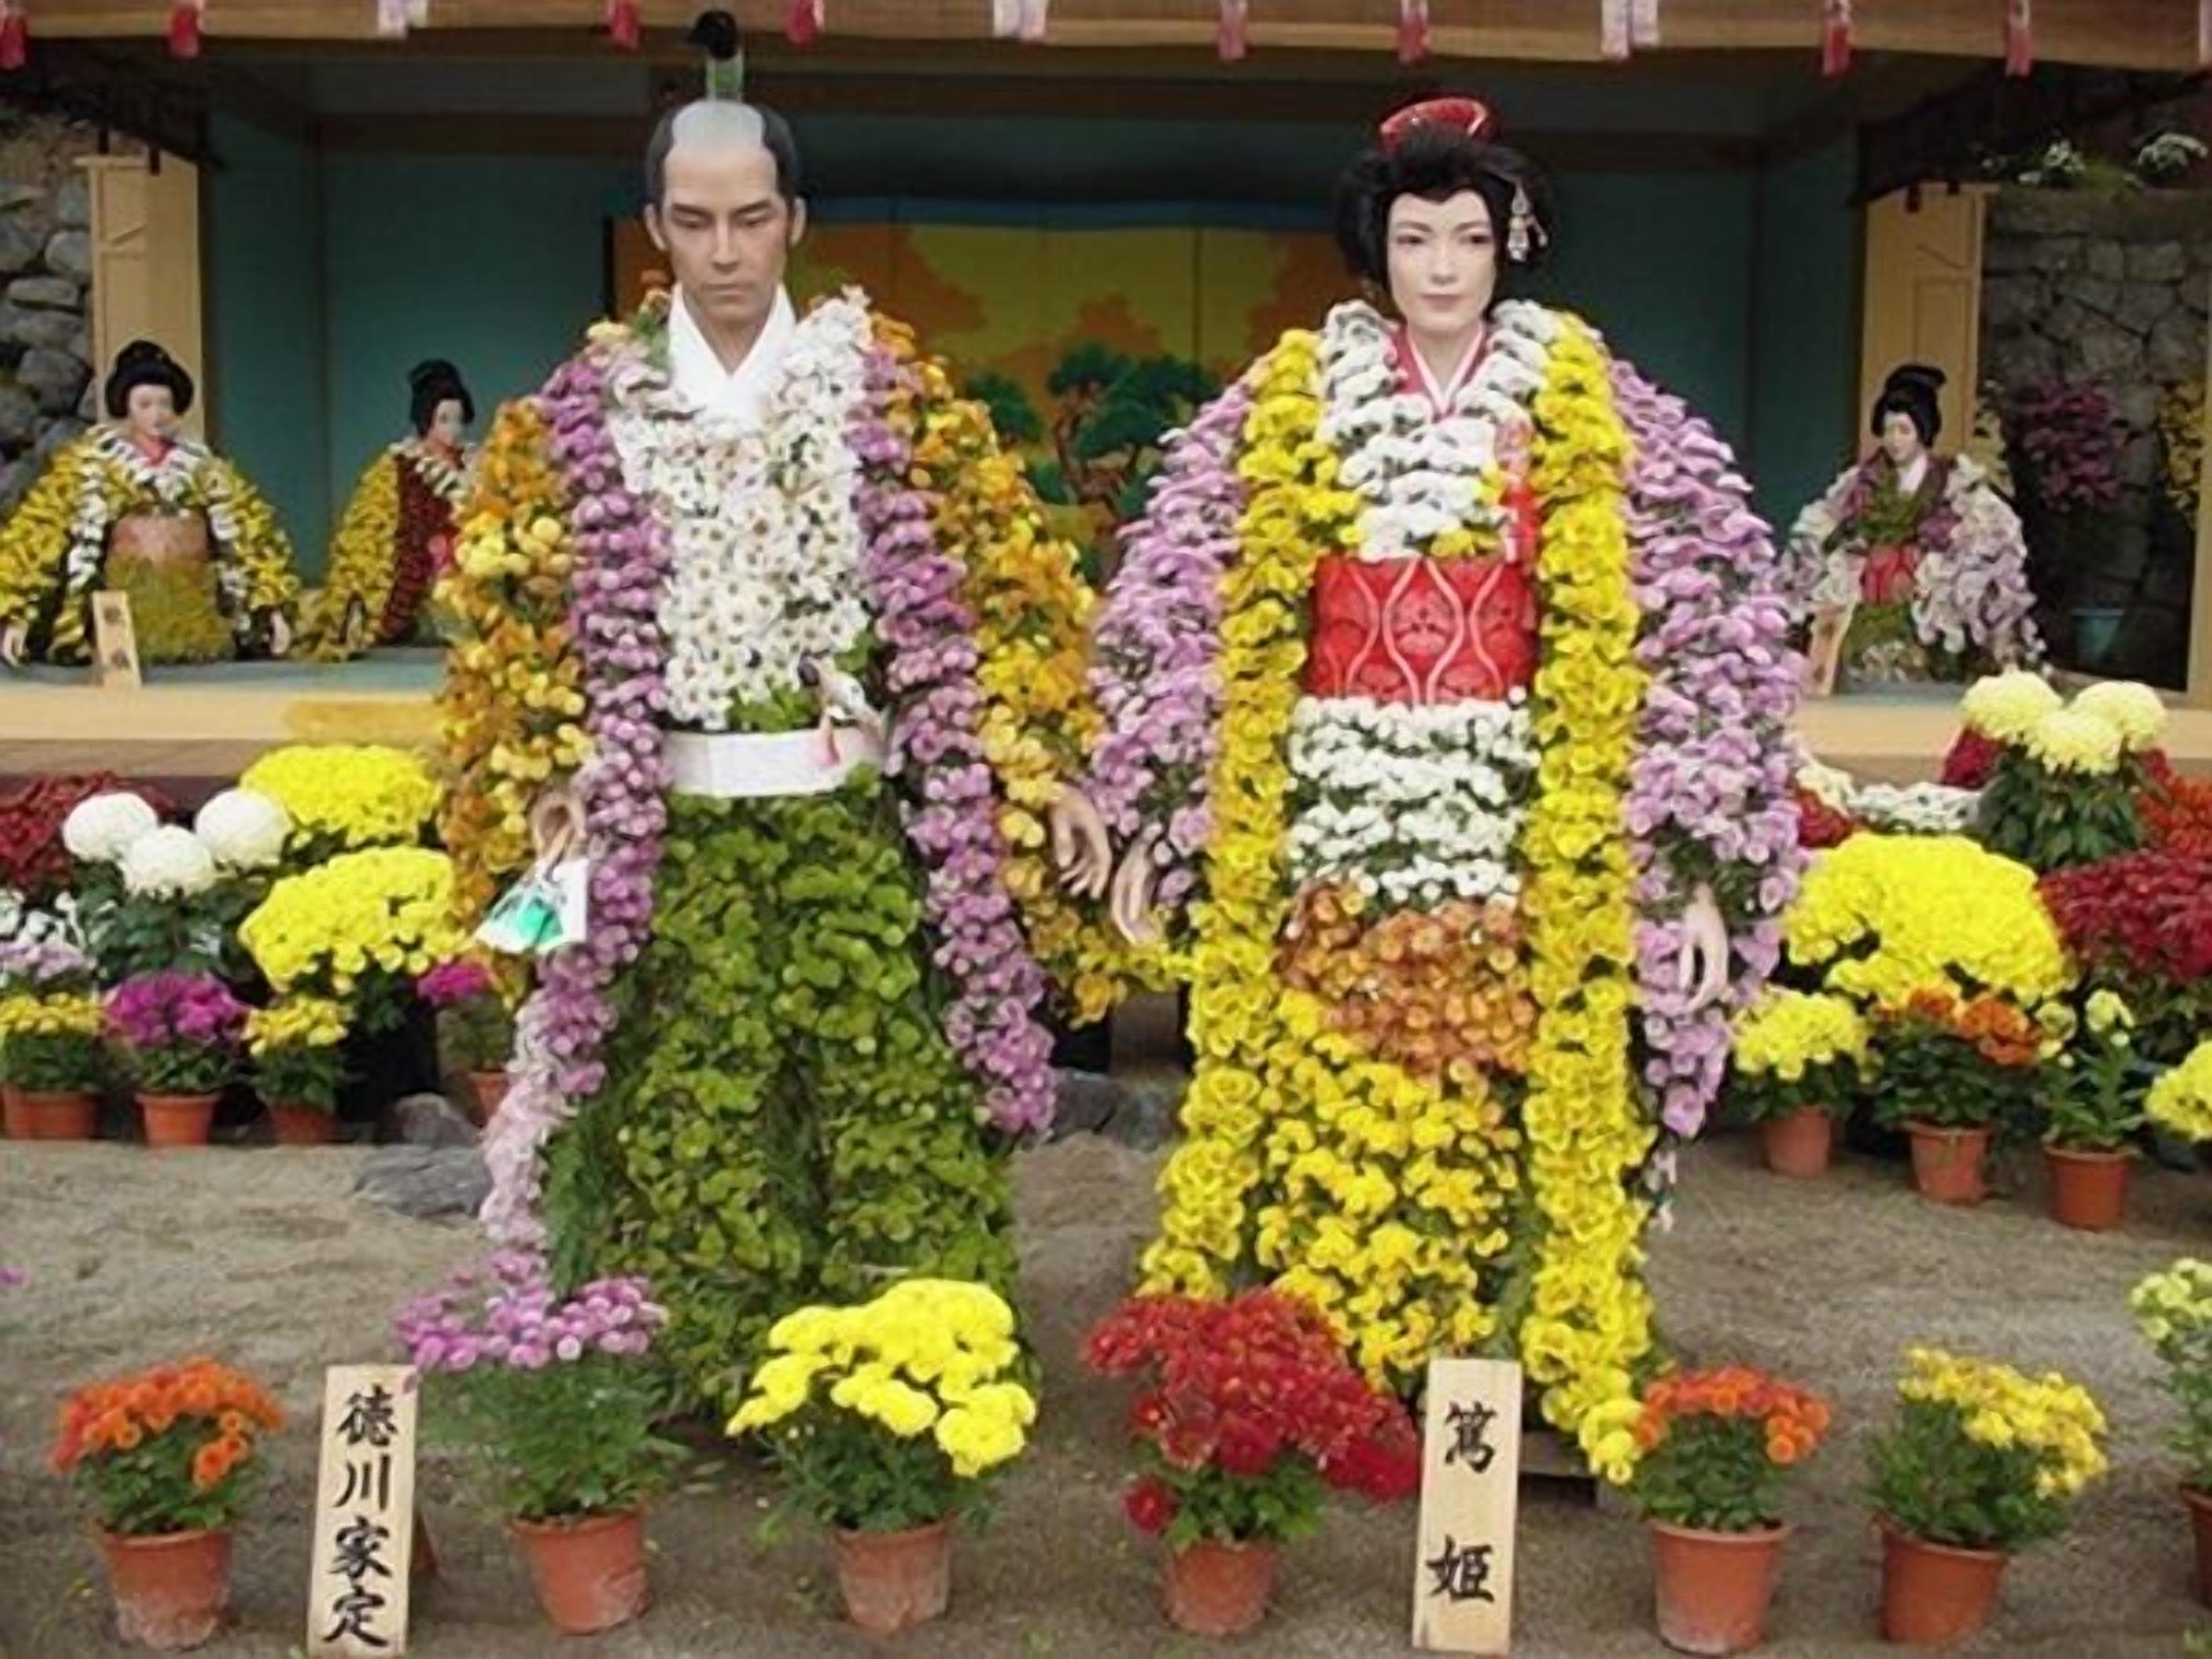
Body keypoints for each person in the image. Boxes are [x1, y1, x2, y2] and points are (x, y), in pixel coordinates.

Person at [1073, 96, 1803, 1460]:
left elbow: (1708, 631)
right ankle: (1317, 1349)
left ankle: (1494, 1358)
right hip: (1329, 818)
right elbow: (1173, 615)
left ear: (1509, 244)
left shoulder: (1594, 403)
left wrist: (1696, 869)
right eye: (1417, 239)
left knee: (1500, 1091)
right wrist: (1162, 811)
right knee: (1328, 1080)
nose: (1446, 269)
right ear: (1378, 248)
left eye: (1471, 237)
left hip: (1529, 819)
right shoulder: (1284, 405)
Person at [437, 26, 1111, 1411]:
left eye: (753, 219)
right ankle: (700, 1362)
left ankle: (906, 1371)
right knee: (691, 1106)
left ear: (795, 221)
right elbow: (509, 641)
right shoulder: (575, 415)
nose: (728, 251)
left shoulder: (898, 396)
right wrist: (553, 778)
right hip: (665, 837)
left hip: (855, 822)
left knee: (882, 1102)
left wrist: (1045, 769)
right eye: (695, 223)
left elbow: (1006, 595)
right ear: (655, 229)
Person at [0, 341, 297, 666]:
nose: (156, 414)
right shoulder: (92, 466)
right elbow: (42, 531)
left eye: (164, 404)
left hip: (193, 609)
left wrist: (271, 607)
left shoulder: (206, 468)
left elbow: (250, 539)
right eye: (144, 404)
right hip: (122, 613)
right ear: (126, 406)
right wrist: (16, 613)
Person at [1794, 362, 2041, 689]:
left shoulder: (1952, 480)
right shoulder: (1860, 481)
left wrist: (1954, 549)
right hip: (1866, 583)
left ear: (1923, 432)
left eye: (1904, 430)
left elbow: (1988, 524)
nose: (1894, 441)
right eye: (1887, 430)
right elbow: (1830, 519)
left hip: (1924, 587)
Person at [302, 359, 477, 655]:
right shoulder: (399, 466)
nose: (453, 429)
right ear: (426, 420)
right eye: (444, 419)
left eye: (458, 420)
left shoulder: (474, 464)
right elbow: (374, 526)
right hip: (424, 570)